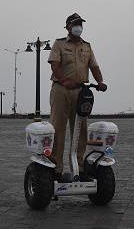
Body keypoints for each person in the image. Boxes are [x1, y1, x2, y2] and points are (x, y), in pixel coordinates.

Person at [47, 13, 107, 180]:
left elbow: (94, 66)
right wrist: (64, 81)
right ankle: (56, 169)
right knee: (58, 128)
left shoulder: (87, 47)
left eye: (80, 24)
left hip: (81, 91)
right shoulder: (59, 44)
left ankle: (79, 169)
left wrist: (100, 81)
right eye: (75, 24)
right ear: (67, 27)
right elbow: (55, 65)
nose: (78, 27)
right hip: (61, 90)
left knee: (80, 130)